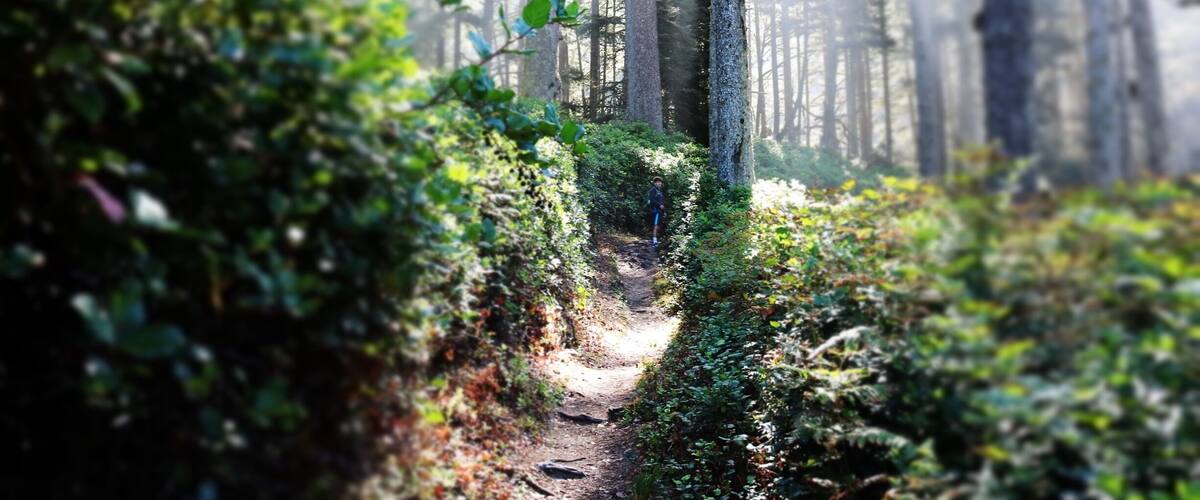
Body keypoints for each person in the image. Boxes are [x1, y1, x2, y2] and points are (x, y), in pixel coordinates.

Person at [646, 176, 665, 246]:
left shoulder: (660, 191)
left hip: (659, 211)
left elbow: (662, 201)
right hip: (655, 210)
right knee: (656, 225)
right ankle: (654, 241)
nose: (659, 184)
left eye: (659, 182)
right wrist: (659, 205)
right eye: (657, 182)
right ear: (654, 183)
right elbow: (651, 200)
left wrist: (663, 208)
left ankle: (655, 239)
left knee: (658, 225)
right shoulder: (653, 190)